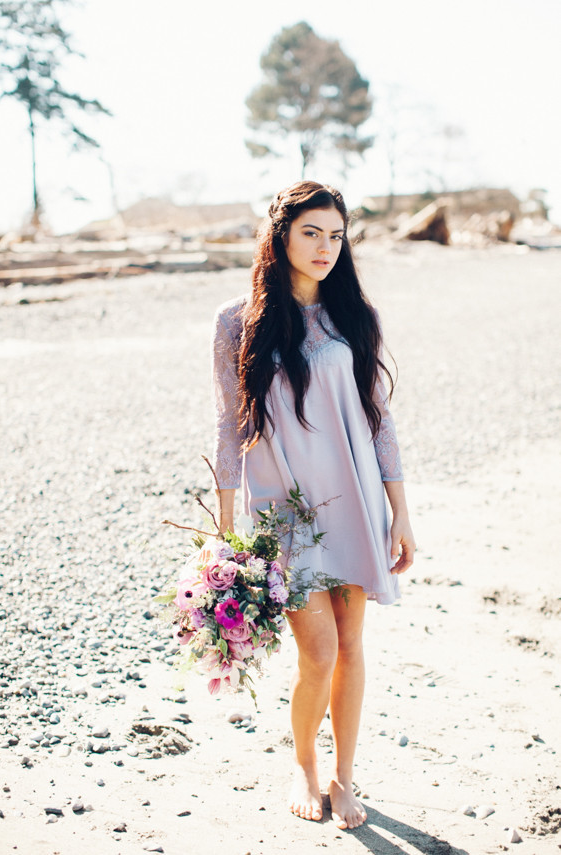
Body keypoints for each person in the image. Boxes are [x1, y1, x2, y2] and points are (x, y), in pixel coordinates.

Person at [211, 180, 415, 830]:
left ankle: (344, 775)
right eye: (311, 232)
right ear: (281, 235)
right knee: (319, 652)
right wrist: (224, 534)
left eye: (336, 234)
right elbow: (228, 427)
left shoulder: (354, 314)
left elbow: (378, 419)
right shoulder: (235, 323)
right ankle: (303, 761)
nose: (326, 246)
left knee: (353, 646)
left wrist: (400, 511)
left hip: (354, 502)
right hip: (285, 512)